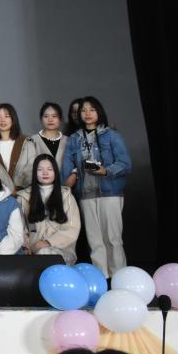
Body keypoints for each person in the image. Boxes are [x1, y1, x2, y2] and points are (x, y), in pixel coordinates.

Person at [62, 96, 131, 278]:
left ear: (99, 112)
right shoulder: (74, 139)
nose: (87, 114)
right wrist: (71, 176)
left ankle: (119, 278)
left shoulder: (112, 135)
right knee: (95, 241)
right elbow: (67, 167)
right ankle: (102, 279)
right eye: (83, 110)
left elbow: (125, 164)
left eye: (92, 110)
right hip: (86, 194)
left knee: (113, 239)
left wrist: (105, 170)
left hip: (110, 192)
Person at [18, 154, 80, 264]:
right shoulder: (23, 197)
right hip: (33, 250)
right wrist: (26, 246)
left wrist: (48, 242)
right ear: (34, 173)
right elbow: (19, 228)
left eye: (50, 169)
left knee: (45, 253)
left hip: (62, 251)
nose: (45, 173)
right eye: (40, 170)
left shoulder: (67, 196)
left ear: (55, 172)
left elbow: (72, 229)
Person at [0, 104, 36, 193]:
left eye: (7, 116)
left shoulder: (26, 142)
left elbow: (31, 168)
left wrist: (18, 190)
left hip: (23, 193)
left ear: (13, 119)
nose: (2, 120)